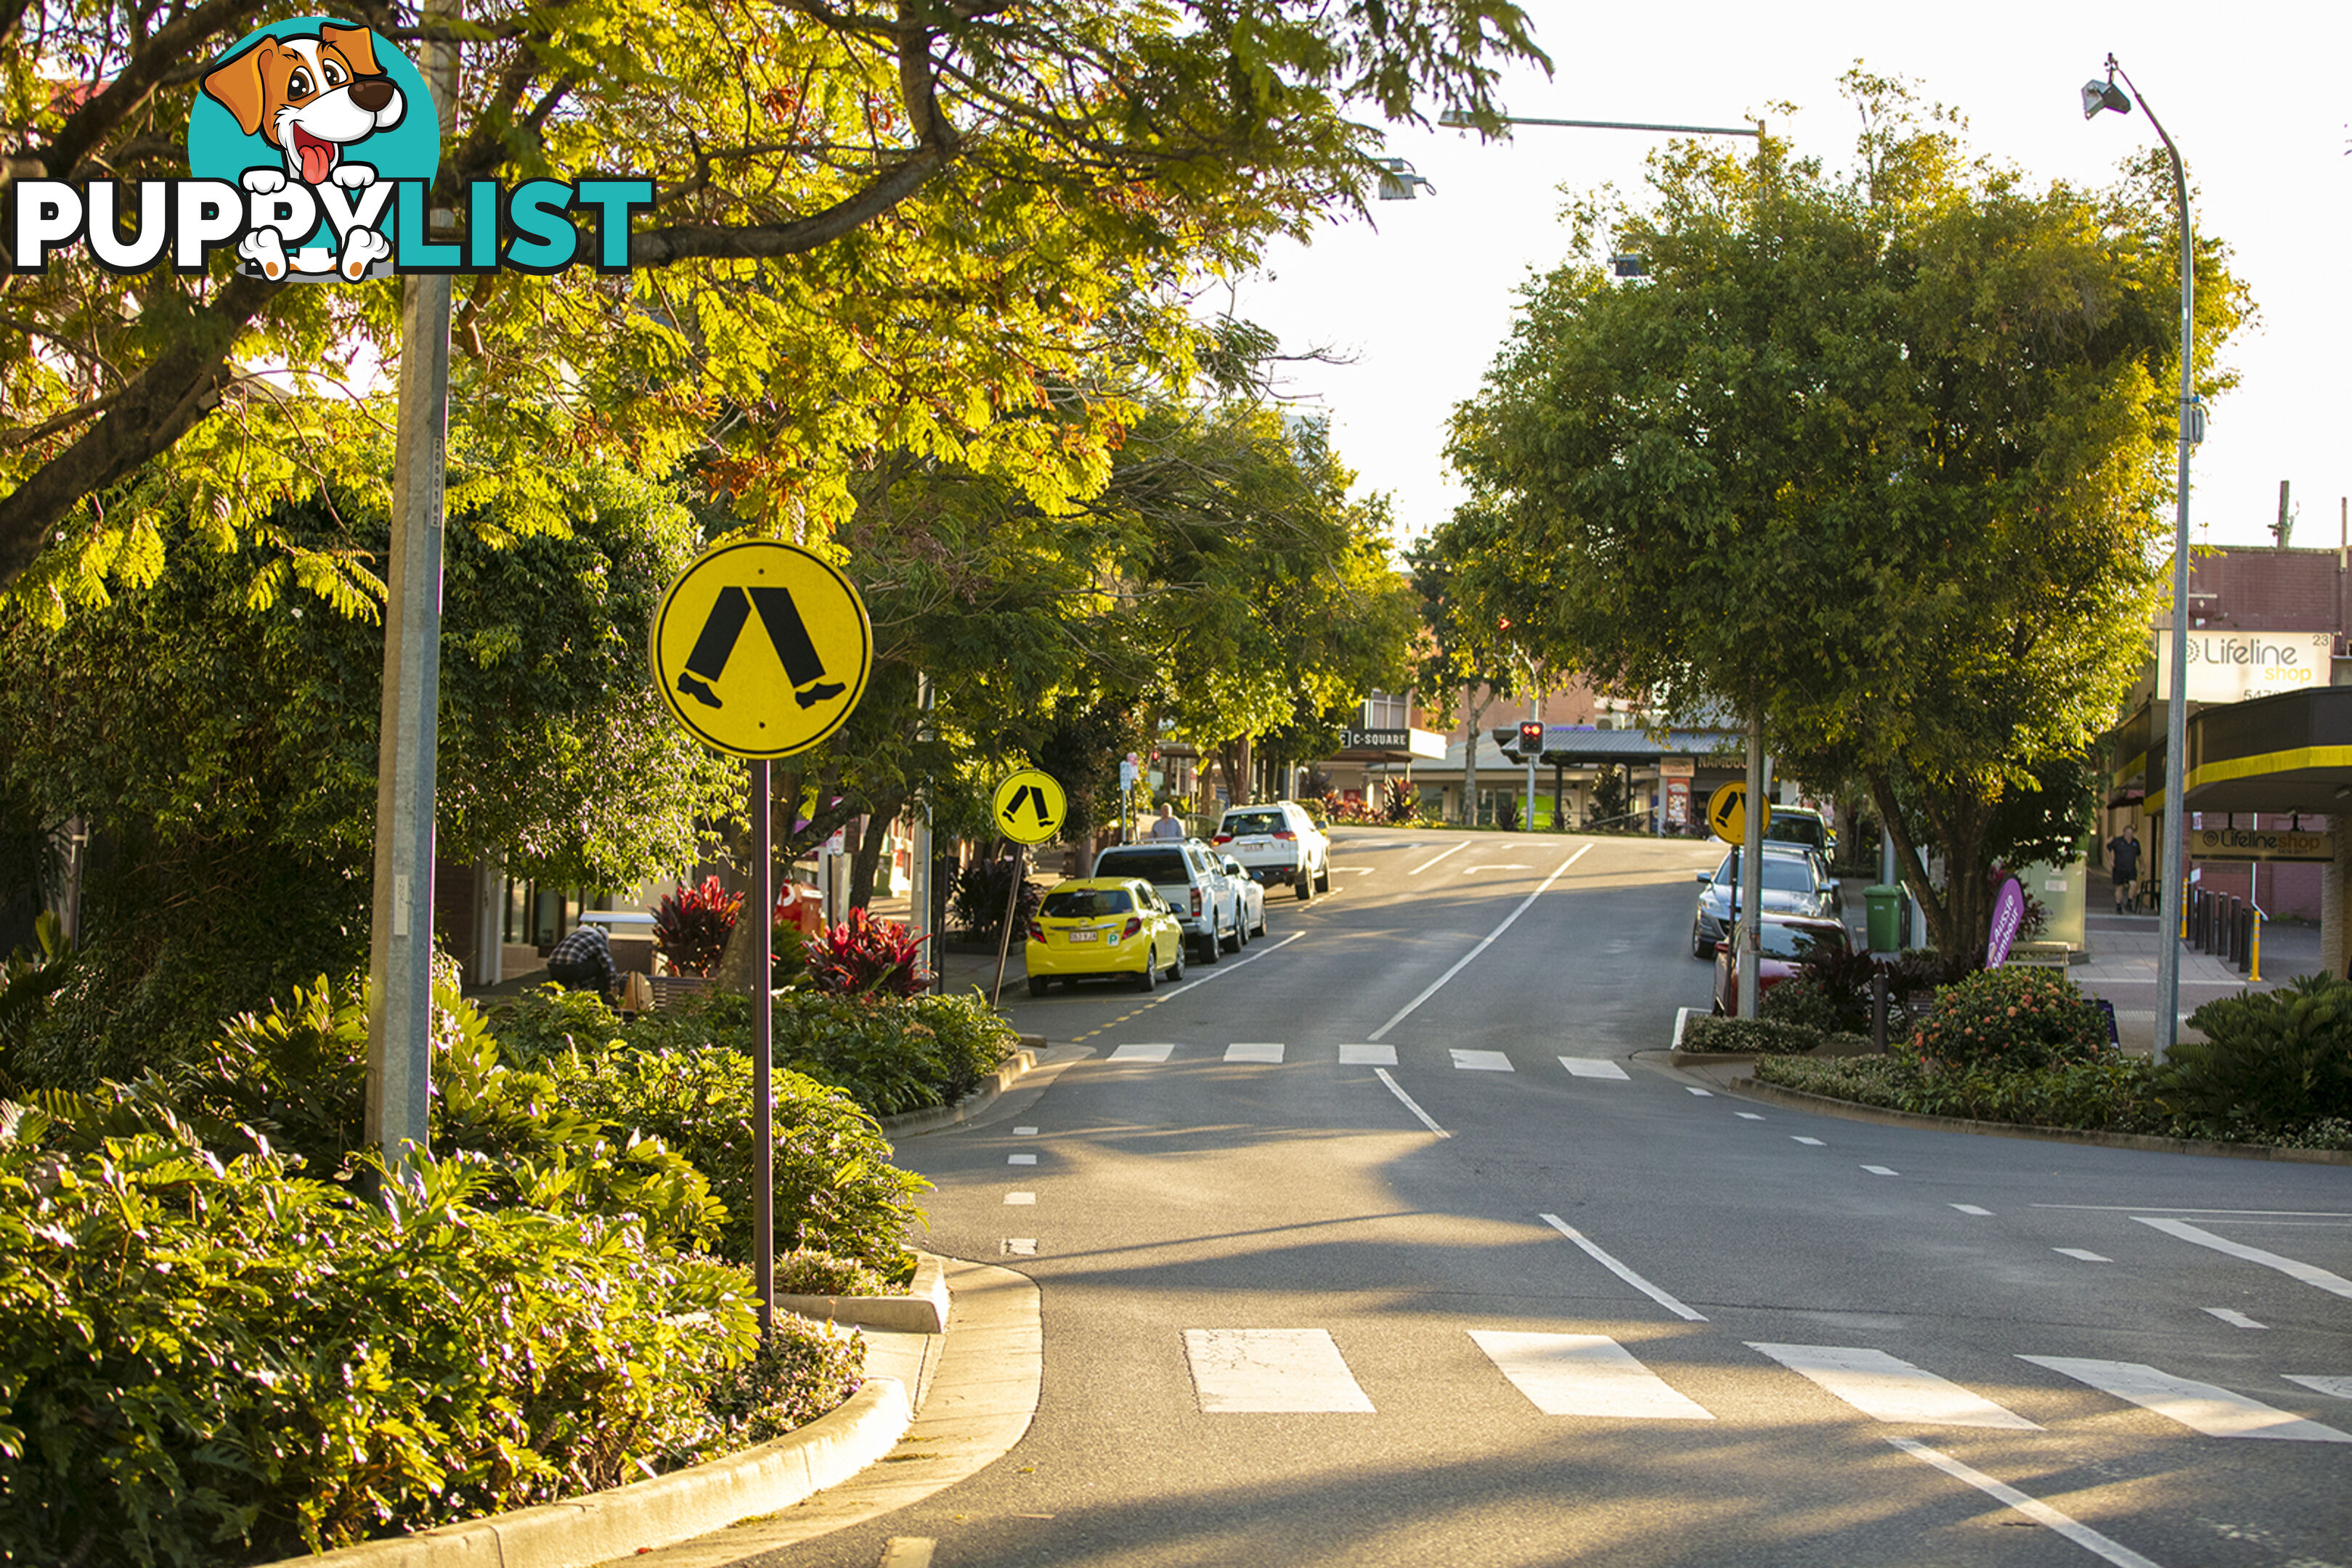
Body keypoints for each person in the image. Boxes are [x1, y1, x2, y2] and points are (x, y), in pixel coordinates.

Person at [546, 918, 618, 1001]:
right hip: (572, 966)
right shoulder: (597, 938)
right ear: (602, 935)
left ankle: (559, 1007)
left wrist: (587, 992)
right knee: (601, 965)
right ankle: (601, 999)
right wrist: (614, 986)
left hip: (553, 966)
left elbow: (580, 972)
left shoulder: (576, 934)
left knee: (562, 995)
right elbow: (608, 965)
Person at [2106, 824, 2141, 913]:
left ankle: (2129, 903)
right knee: (2120, 887)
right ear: (2124, 833)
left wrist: (2142, 866)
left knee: (2133, 884)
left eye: (2131, 833)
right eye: (2128, 832)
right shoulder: (2118, 841)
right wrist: (2110, 861)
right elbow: (2107, 849)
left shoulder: (2135, 842)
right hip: (2119, 868)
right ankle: (2118, 905)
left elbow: (2139, 855)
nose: (2129, 834)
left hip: (2131, 868)